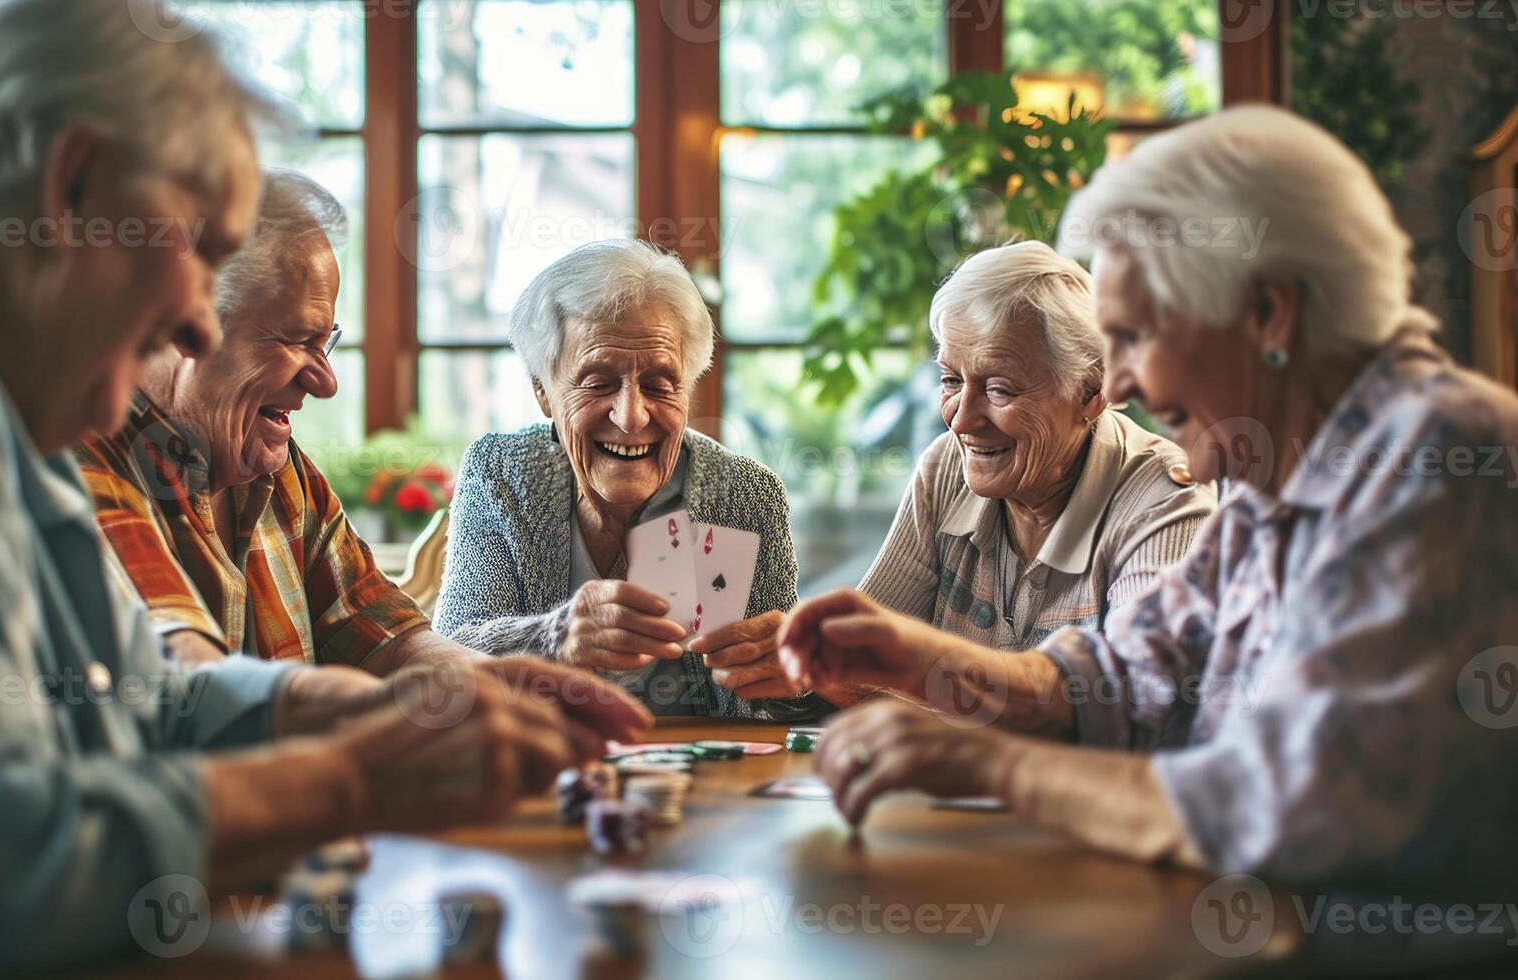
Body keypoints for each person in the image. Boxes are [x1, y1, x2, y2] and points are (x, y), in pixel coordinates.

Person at [0, 2, 645, 972]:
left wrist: (368, 711)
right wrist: (352, 777)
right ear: (74, 187)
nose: (195, 322)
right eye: (198, 248)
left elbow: (151, 699)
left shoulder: (11, 409)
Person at [783, 106, 1518, 912]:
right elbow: (1124, 675)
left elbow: (1284, 804)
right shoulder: (1267, 474)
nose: (1118, 386)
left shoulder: (1437, 457)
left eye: (1133, 337)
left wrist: (986, 761)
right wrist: (914, 658)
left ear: (1267, 314)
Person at [78, 169, 479, 675]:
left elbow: (387, 635)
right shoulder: (87, 462)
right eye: (296, 342)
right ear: (186, 324)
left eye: (325, 342)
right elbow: (189, 677)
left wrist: (496, 685)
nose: (325, 382)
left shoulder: (278, 467)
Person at [436, 240, 819, 718]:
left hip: (705, 779)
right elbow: (447, 656)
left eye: (660, 384)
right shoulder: (503, 474)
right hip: (549, 769)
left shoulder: (743, 495)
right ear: (542, 389)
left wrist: (789, 677)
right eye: (598, 382)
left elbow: (779, 706)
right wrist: (554, 637)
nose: (632, 417)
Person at [825, 241, 1213, 707]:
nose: (961, 419)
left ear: (1091, 393)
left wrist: (919, 666)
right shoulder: (946, 467)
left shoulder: (1165, 502)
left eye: (999, 388)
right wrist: (800, 656)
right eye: (951, 381)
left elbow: (1135, 701)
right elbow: (863, 666)